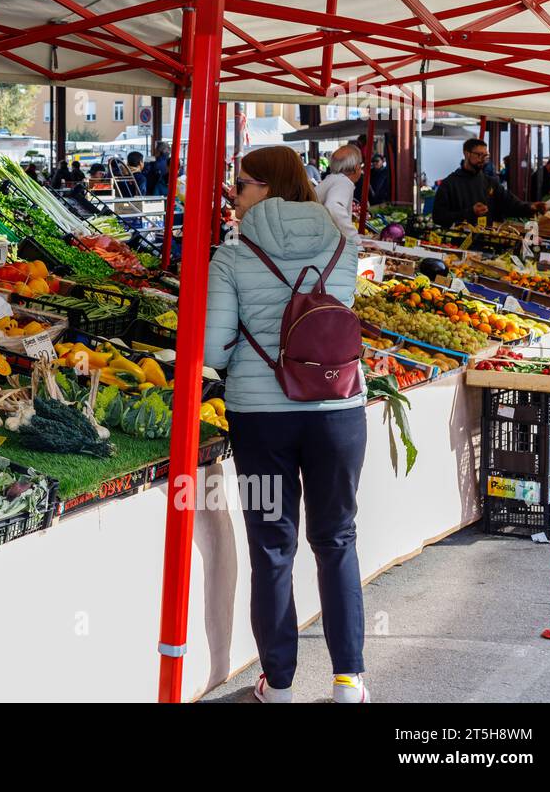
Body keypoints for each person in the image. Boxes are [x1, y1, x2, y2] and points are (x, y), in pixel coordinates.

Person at [204, 144, 368, 704]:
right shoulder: (343, 244)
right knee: (337, 539)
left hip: (262, 420)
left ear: (267, 188)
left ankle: (279, 684)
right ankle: (349, 681)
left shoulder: (230, 256)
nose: (233, 196)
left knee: (272, 547)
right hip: (339, 413)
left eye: (240, 185)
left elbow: (214, 348)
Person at [433, 139, 545, 227]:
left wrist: (531, 207)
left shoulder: (490, 182)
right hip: (458, 243)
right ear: (467, 154)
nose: (483, 159)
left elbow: (511, 204)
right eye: (479, 155)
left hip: (488, 241)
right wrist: (470, 212)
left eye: (485, 155)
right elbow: (439, 217)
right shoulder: (449, 184)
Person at [316, 145, 363, 240]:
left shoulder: (333, 179)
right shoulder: (344, 182)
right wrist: (354, 238)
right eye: (360, 164)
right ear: (356, 167)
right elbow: (333, 206)